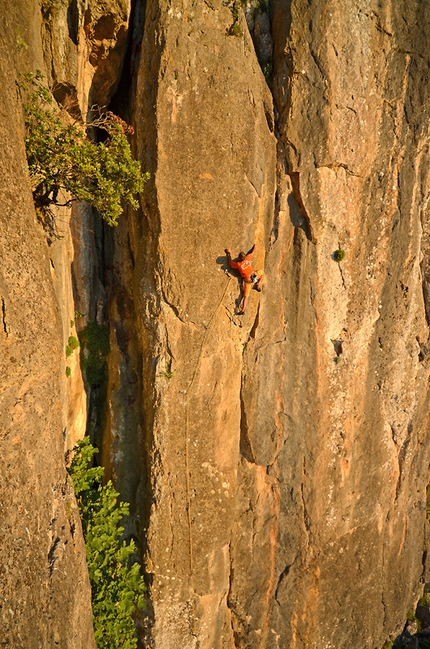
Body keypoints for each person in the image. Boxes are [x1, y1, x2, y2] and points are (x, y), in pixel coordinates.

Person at [225, 244, 264, 314]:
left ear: (239, 258)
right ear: (245, 257)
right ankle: (258, 284)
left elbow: (230, 263)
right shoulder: (247, 259)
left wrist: (229, 253)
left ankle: (243, 310)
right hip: (254, 275)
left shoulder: (238, 264)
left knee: (246, 296)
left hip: (248, 281)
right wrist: (255, 247)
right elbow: (252, 252)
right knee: (262, 273)